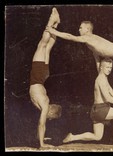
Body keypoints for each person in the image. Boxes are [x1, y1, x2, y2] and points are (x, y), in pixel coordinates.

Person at [62, 58, 113, 145]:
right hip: (101, 109)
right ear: (101, 67)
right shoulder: (100, 80)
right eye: (107, 67)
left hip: (96, 111)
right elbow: (107, 98)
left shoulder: (104, 78)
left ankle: (73, 137)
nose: (109, 70)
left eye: (110, 68)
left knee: (97, 136)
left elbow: (112, 92)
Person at [29, 8, 62, 148]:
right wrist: (42, 144)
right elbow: (41, 124)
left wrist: (40, 137)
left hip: (42, 77)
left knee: (46, 48)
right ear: (51, 111)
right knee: (42, 46)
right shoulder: (44, 104)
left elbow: (42, 126)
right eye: (50, 117)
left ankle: (55, 25)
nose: (48, 118)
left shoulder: (45, 103)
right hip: (38, 77)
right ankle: (51, 20)